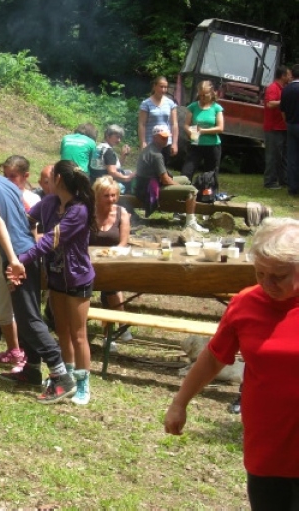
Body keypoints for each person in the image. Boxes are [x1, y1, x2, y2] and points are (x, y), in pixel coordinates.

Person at [164, 217, 299, 510]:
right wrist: (180, 402)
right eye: (260, 273)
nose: (267, 283)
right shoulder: (245, 304)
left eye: (279, 275)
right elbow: (213, 358)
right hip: (268, 445)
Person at [0, 140, 76, 404]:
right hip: (27, 253)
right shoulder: (8, 184)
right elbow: (22, 218)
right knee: (25, 313)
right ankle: (31, 369)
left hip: (19, 259)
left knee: (29, 318)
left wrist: (14, 259)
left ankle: (62, 376)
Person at [26, 160, 96, 405]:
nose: (45, 181)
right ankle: (66, 379)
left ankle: (83, 384)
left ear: (58, 180)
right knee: (62, 331)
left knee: (78, 334)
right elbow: (26, 221)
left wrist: (22, 259)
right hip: (56, 276)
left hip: (77, 278)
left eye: (50, 177)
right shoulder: (49, 203)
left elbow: (50, 241)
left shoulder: (79, 210)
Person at [0, 155, 41, 368]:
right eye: (4, 175)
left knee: (23, 308)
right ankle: (13, 349)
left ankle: (24, 354)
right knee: (1, 304)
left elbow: (31, 232)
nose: (7, 180)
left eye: (12, 176)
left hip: (20, 257)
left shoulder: (32, 200)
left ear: (25, 176)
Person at [135, 124, 208, 233]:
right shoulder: (156, 155)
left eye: (167, 137)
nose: (166, 139)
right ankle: (190, 222)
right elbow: (165, 180)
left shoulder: (151, 148)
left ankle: (185, 211)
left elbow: (163, 176)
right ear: (155, 137)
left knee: (185, 179)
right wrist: (181, 187)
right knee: (192, 190)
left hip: (148, 184)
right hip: (150, 190)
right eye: (163, 137)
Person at [90, 176, 132, 346]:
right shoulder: (87, 213)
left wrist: (111, 254)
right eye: (106, 196)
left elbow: (123, 242)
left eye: (114, 195)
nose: (111, 199)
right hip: (88, 261)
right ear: (96, 196)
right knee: (110, 287)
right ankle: (120, 326)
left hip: (112, 261)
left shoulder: (122, 213)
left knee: (110, 287)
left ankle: (111, 334)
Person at [181, 80, 224, 190]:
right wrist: (189, 131)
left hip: (212, 145)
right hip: (196, 143)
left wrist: (203, 131)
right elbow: (186, 125)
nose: (202, 98)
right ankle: (182, 193)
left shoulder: (217, 108)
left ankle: (208, 196)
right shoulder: (193, 107)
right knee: (187, 171)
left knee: (210, 174)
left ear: (212, 93)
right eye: (200, 95)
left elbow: (220, 128)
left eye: (205, 95)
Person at [139, 76, 179, 165]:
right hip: (151, 142)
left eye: (165, 87)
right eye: (161, 87)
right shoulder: (146, 103)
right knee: (150, 169)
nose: (164, 89)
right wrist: (142, 142)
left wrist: (174, 143)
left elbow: (174, 124)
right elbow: (142, 124)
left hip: (166, 142)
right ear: (154, 86)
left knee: (163, 169)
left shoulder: (170, 103)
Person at [263, 66, 292, 189]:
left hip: (282, 127)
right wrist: (284, 100)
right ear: (283, 76)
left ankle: (283, 179)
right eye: (289, 75)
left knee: (283, 156)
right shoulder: (273, 88)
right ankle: (269, 181)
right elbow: (270, 104)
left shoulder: (284, 88)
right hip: (273, 128)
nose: (290, 77)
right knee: (273, 155)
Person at [89, 124, 135, 193]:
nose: (119, 140)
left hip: (95, 181)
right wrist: (127, 178)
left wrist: (123, 155)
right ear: (108, 135)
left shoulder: (99, 147)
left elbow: (113, 166)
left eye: (120, 138)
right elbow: (112, 172)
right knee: (132, 180)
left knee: (127, 172)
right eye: (117, 137)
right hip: (105, 185)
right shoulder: (108, 151)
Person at [279, 63, 299, 197]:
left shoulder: (286, 89)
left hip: (291, 125)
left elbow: (283, 110)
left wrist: (288, 122)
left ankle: (293, 187)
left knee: (292, 157)